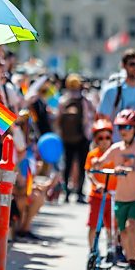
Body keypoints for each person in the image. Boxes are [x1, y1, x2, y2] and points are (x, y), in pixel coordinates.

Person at [93, 109, 135, 270]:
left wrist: (131, 171)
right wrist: (96, 163)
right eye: (121, 127)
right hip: (121, 197)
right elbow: (101, 160)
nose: (124, 131)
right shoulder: (116, 148)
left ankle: (133, 264)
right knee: (124, 233)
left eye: (128, 127)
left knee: (131, 225)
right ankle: (129, 261)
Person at [58, 73, 95, 204]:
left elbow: (58, 119)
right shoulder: (85, 100)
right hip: (83, 137)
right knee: (81, 165)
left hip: (67, 137)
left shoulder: (63, 99)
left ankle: (66, 193)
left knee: (67, 165)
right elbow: (91, 116)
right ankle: (79, 192)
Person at [84, 119, 117, 250]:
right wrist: (97, 184)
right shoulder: (93, 155)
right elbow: (89, 172)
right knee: (93, 225)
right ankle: (92, 250)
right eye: (101, 137)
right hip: (97, 195)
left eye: (107, 137)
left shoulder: (115, 153)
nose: (104, 140)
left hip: (112, 196)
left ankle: (111, 248)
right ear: (96, 140)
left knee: (112, 226)